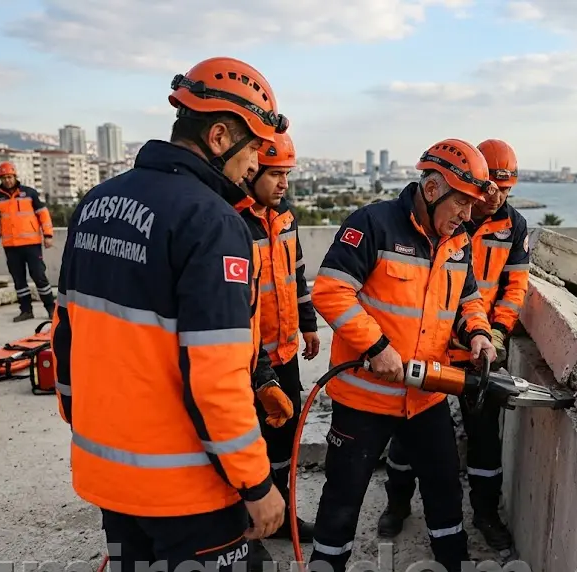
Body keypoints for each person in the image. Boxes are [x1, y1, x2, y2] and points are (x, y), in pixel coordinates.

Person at [50, 57, 295, 572]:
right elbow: (214, 378)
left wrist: (84, 423)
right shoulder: (213, 221)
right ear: (221, 135)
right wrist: (256, 483)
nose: (256, 164)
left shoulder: (97, 202)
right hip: (185, 488)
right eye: (253, 149)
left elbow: (65, 334)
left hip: (108, 472)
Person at [308, 138, 499, 572]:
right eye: (463, 204)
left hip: (426, 394)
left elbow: (467, 300)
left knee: (445, 490)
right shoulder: (373, 224)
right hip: (365, 398)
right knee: (342, 498)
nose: (468, 216)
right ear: (432, 190)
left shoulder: (457, 241)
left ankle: (454, 561)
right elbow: (331, 291)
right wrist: (376, 347)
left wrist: (479, 335)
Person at [377, 138, 529, 553]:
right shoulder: (447, 219)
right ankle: (397, 504)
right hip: (435, 348)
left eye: (507, 191)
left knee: (484, 441)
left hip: (481, 349)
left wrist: (495, 333)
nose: (497, 197)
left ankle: (484, 513)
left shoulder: (512, 226)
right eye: (493, 187)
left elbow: (514, 288)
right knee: (409, 433)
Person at [234, 131, 322, 564]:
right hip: (250, 359)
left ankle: (284, 515)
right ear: (252, 175)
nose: (284, 184)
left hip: (285, 352)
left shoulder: (285, 218)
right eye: (275, 175)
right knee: (248, 442)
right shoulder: (234, 223)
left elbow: (297, 278)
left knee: (284, 439)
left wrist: (308, 326)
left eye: (287, 174)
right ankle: (245, 530)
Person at [0, 161, 56, 322]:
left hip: (31, 244)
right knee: (19, 280)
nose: (7, 180)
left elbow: (43, 215)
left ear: (15, 176)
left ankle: (51, 308)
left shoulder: (29, 193)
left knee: (39, 276)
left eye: (10, 177)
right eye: (4, 178)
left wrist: (48, 235)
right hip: (11, 246)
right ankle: (26, 310)